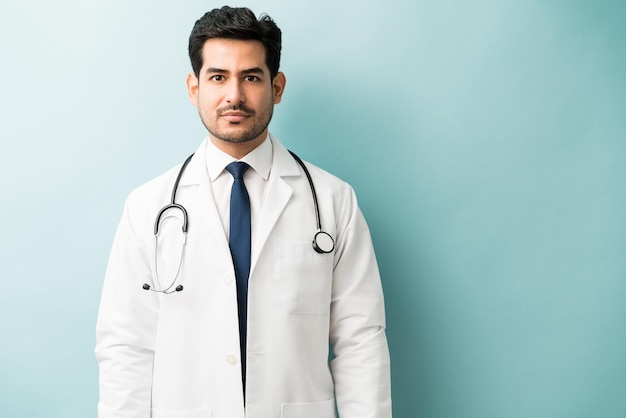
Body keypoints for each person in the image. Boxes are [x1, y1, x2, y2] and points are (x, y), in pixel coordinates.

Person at [95, 6, 391, 418]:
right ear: (194, 87)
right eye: (218, 77)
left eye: (251, 77)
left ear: (278, 86)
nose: (234, 95)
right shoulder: (149, 207)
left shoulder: (333, 201)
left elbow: (361, 340)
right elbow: (126, 347)